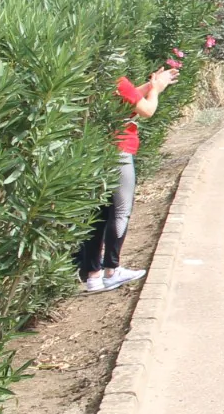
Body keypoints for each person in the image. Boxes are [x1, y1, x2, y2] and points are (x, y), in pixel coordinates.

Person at [76, 67, 178, 293]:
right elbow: (147, 110)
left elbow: (127, 96)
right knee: (120, 211)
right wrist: (156, 90)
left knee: (97, 214)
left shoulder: (91, 78)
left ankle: (93, 275)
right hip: (119, 151)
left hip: (94, 152)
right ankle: (112, 270)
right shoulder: (116, 79)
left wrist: (151, 84)